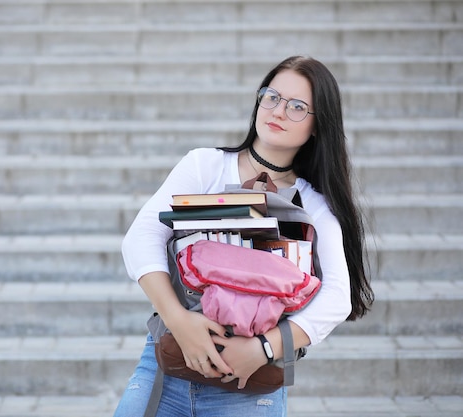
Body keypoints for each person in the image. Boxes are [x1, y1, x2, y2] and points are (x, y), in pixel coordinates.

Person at [113, 55, 374, 417]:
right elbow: (141, 238)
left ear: (318, 125)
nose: (279, 111)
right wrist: (180, 321)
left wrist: (264, 349)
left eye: (298, 106)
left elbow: (337, 298)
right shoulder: (204, 165)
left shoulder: (314, 205)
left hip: (249, 387)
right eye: (272, 97)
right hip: (167, 365)